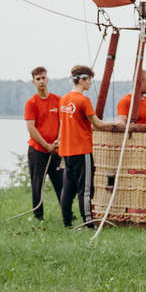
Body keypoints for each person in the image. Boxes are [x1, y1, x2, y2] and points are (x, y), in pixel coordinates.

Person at [22, 67, 64, 224]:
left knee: (61, 182)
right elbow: (31, 128)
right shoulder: (31, 103)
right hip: (38, 150)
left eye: (43, 78)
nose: (41, 81)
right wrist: (46, 145)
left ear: (47, 79)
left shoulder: (57, 100)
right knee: (37, 183)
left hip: (56, 149)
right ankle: (38, 215)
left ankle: (67, 213)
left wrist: (58, 140)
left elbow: (62, 122)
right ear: (33, 82)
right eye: (38, 79)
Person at [56, 67, 95, 227]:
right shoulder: (83, 100)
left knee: (68, 189)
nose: (91, 83)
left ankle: (67, 222)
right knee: (85, 190)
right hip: (82, 150)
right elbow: (96, 123)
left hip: (66, 151)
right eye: (89, 79)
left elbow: (64, 124)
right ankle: (88, 223)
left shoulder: (63, 100)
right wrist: (113, 124)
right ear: (81, 80)